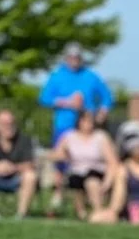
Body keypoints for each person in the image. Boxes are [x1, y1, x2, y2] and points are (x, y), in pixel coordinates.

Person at [39, 41, 112, 211]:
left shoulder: (91, 76)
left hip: (87, 126)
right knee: (62, 161)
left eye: (77, 57)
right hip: (64, 125)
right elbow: (44, 98)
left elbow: (106, 96)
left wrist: (103, 110)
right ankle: (58, 193)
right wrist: (66, 102)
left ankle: (87, 194)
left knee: (88, 159)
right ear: (66, 58)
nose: (74, 60)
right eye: (71, 57)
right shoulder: (57, 76)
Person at [52, 106, 116, 220]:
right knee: (76, 180)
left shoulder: (100, 137)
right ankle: (81, 213)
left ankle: (98, 212)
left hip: (96, 171)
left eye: (90, 121)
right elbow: (58, 154)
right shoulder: (69, 136)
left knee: (92, 181)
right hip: (76, 172)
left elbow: (112, 161)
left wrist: (108, 182)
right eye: (85, 120)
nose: (88, 124)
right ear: (79, 122)